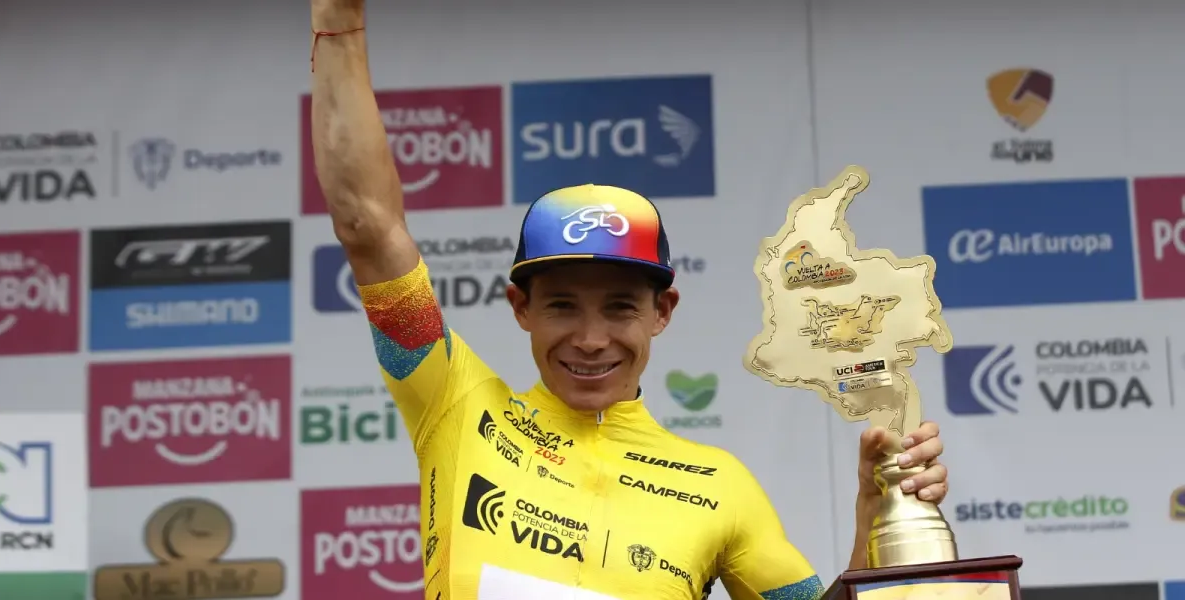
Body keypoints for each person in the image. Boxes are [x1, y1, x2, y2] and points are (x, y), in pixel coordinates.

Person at [309, 2, 950, 598]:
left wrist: (875, 518)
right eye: (562, 306)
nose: (591, 339)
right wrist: (339, 23)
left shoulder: (720, 487)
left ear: (661, 312)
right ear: (520, 307)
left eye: (619, 307)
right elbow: (368, 227)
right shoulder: (454, 402)